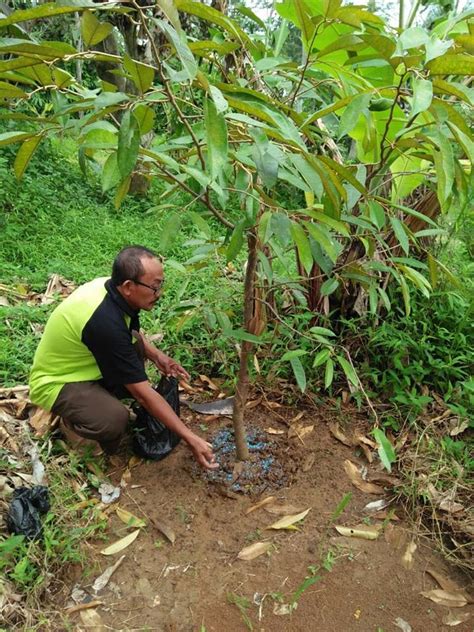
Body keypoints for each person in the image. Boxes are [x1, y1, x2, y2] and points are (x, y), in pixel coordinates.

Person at [29, 245, 218, 470]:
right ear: (128, 286)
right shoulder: (103, 322)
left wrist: (157, 355)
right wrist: (191, 438)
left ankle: (97, 399)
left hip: (88, 364)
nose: (159, 294)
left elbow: (129, 333)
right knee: (114, 420)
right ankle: (73, 426)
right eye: (154, 287)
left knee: (136, 346)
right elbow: (144, 396)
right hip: (57, 381)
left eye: (161, 285)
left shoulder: (110, 288)